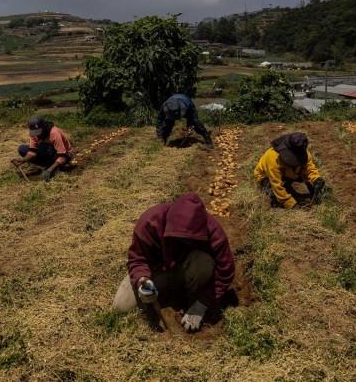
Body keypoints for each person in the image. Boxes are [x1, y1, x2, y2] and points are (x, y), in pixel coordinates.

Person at [112, 193, 235, 333]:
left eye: (189, 240)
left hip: (188, 269)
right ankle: (167, 290)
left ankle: (188, 295)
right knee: (121, 307)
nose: (183, 243)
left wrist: (202, 303)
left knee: (204, 263)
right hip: (156, 271)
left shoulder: (213, 231)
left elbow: (225, 271)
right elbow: (138, 259)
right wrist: (142, 279)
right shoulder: (150, 222)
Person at [253, 132, 326, 209]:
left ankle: (289, 186)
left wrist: (316, 178)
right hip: (267, 177)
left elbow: (308, 167)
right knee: (274, 195)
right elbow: (276, 184)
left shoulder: (303, 152)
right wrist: (292, 204)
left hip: (288, 174)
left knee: (305, 191)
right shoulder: (272, 158)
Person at [13, 116, 74, 182]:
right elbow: (32, 152)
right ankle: (46, 164)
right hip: (47, 150)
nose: (37, 135)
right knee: (22, 149)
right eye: (35, 133)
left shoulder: (54, 133)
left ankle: (53, 167)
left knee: (46, 148)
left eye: (38, 132)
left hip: (64, 155)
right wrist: (22, 160)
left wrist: (49, 170)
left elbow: (62, 156)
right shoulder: (34, 133)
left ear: (43, 127)